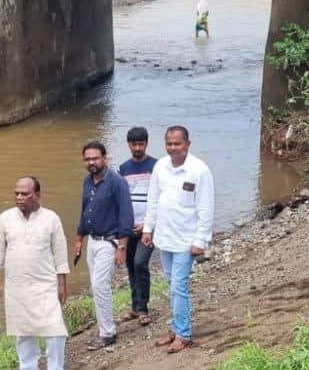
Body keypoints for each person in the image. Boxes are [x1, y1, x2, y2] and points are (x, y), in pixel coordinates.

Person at [0, 176, 73, 370]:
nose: (19, 197)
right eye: (16, 193)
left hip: (45, 284)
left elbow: (60, 253)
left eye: (25, 194)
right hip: (16, 286)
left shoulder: (51, 218)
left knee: (55, 330)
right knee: (23, 332)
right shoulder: (5, 218)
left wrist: (61, 284)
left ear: (37, 195)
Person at [142, 126, 213, 354]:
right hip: (165, 238)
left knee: (179, 287)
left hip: (186, 240)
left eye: (177, 144)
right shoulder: (160, 166)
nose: (173, 148)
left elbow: (205, 207)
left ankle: (184, 334)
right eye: (169, 144)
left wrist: (200, 241)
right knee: (171, 285)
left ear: (187, 144)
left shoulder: (199, 170)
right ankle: (175, 328)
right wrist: (147, 229)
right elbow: (153, 200)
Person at [75, 141, 133, 350]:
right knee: (95, 285)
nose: (91, 162)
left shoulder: (117, 182)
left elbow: (127, 215)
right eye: (87, 159)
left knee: (100, 286)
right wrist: (79, 239)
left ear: (104, 158)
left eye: (95, 158)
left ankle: (107, 333)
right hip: (92, 240)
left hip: (110, 241)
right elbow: (85, 210)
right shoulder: (87, 181)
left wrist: (122, 247)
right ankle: (104, 326)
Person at [119, 127, 158, 327]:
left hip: (148, 226)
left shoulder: (157, 166)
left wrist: (147, 224)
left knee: (140, 263)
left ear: (146, 144)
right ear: (128, 145)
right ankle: (135, 307)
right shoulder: (123, 169)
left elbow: (162, 198)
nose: (137, 148)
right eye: (134, 144)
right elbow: (121, 200)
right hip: (129, 227)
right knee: (131, 266)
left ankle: (143, 309)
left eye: (141, 144)